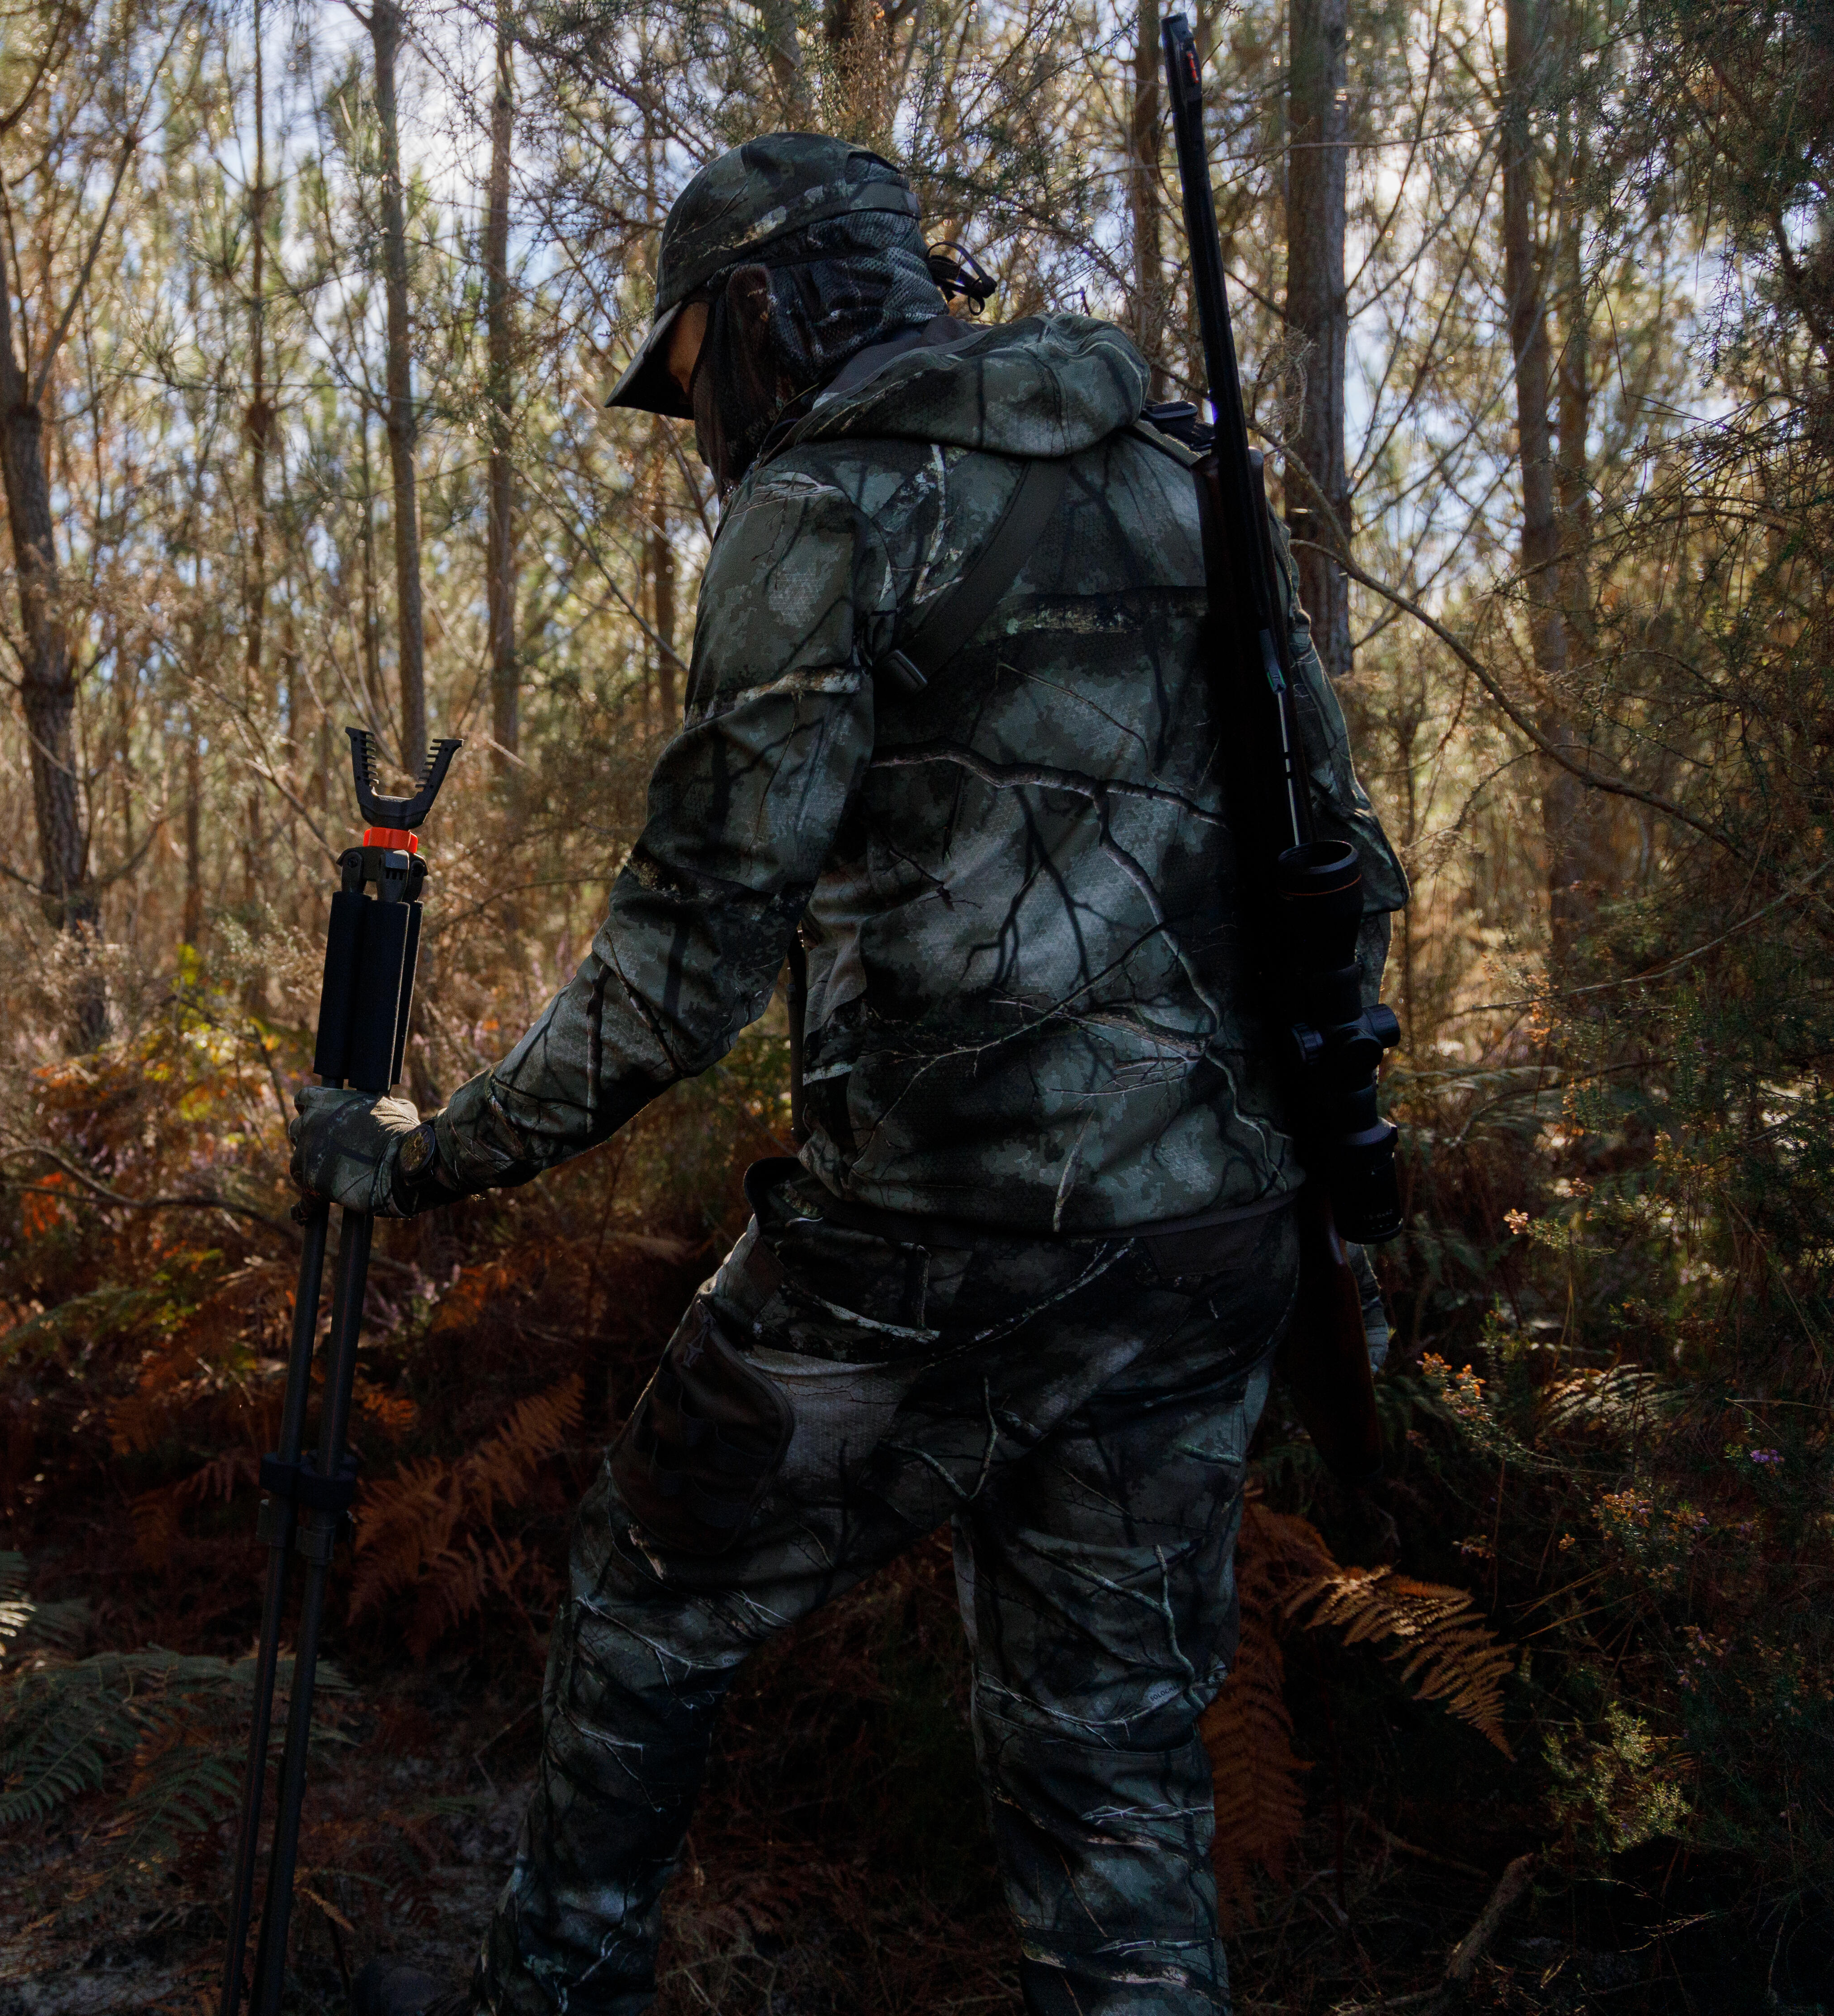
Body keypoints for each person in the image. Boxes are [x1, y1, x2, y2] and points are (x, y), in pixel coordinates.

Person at [291, 134, 1404, 2016]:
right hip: (1202, 1251)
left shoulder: (823, 511)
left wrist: (416, 1156)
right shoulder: (1185, 471)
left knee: (649, 1592)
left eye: (693, 367)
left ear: (755, 316)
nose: (697, 420)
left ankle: (550, 1990)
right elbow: (1344, 866)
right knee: (1118, 1781)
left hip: (916, 1262)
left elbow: (684, 964)